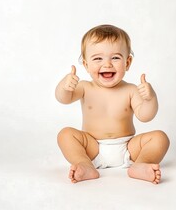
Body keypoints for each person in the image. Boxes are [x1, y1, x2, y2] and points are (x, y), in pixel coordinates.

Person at [55, 24, 169, 184]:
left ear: (127, 62)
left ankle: (141, 164)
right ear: (86, 65)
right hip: (92, 147)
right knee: (65, 134)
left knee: (160, 138)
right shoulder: (85, 87)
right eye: (97, 58)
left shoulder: (131, 90)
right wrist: (64, 87)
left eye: (115, 57)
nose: (107, 64)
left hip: (128, 148)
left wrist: (150, 99)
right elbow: (63, 99)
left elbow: (145, 116)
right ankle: (84, 164)